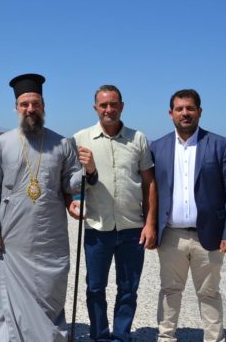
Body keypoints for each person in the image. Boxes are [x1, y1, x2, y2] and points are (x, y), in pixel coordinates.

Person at [0, 73, 93, 342]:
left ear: (44, 106)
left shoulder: (62, 143)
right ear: (16, 108)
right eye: (24, 104)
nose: (30, 109)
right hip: (11, 235)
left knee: (48, 290)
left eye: (36, 103)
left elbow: (71, 184)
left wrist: (88, 170)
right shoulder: (3, 143)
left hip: (48, 236)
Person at [150, 89, 226, 342]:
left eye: (190, 108)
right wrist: (149, 226)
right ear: (170, 113)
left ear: (199, 112)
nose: (185, 113)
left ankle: (214, 339)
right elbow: (150, 190)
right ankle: (166, 337)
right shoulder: (157, 147)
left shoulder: (220, 144)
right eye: (179, 109)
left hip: (209, 235)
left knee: (209, 293)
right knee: (169, 290)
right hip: (171, 236)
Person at [69, 85, 157, 342]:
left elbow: (149, 182)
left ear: (122, 106)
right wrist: (69, 202)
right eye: (104, 105)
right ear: (95, 108)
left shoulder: (138, 138)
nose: (109, 109)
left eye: (113, 104)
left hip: (132, 226)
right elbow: (67, 179)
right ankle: (99, 336)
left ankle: (121, 336)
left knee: (128, 289)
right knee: (95, 288)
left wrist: (150, 223)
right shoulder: (80, 138)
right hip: (97, 227)